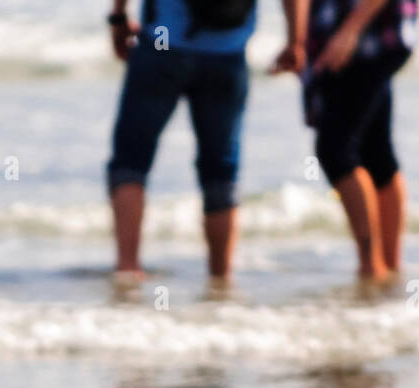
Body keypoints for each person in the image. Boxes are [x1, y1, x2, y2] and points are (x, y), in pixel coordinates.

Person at [106, 0, 308, 285]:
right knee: (222, 171)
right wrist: (296, 41)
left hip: (162, 46)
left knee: (130, 161)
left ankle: (128, 269)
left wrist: (118, 18)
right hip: (227, 52)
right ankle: (221, 279)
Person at [288, 0, 418, 280]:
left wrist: (350, 30)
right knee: (376, 152)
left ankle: (373, 268)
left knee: (334, 150)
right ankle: (389, 269)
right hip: (360, 35)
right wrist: (297, 41)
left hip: (366, 37)